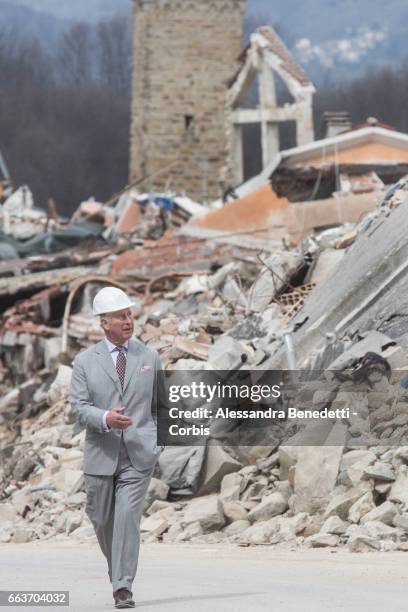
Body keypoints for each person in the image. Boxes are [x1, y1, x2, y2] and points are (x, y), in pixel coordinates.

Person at [69, 286, 163, 609]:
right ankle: (118, 568)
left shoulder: (149, 357)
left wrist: (156, 442)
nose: (128, 320)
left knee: (127, 517)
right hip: (101, 453)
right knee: (101, 517)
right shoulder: (84, 362)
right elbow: (78, 407)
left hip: (138, 456)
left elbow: (159, 406)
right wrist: (105, 417)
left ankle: (122, 586)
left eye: (130, 315)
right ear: (103, 323)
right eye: (121, 316)